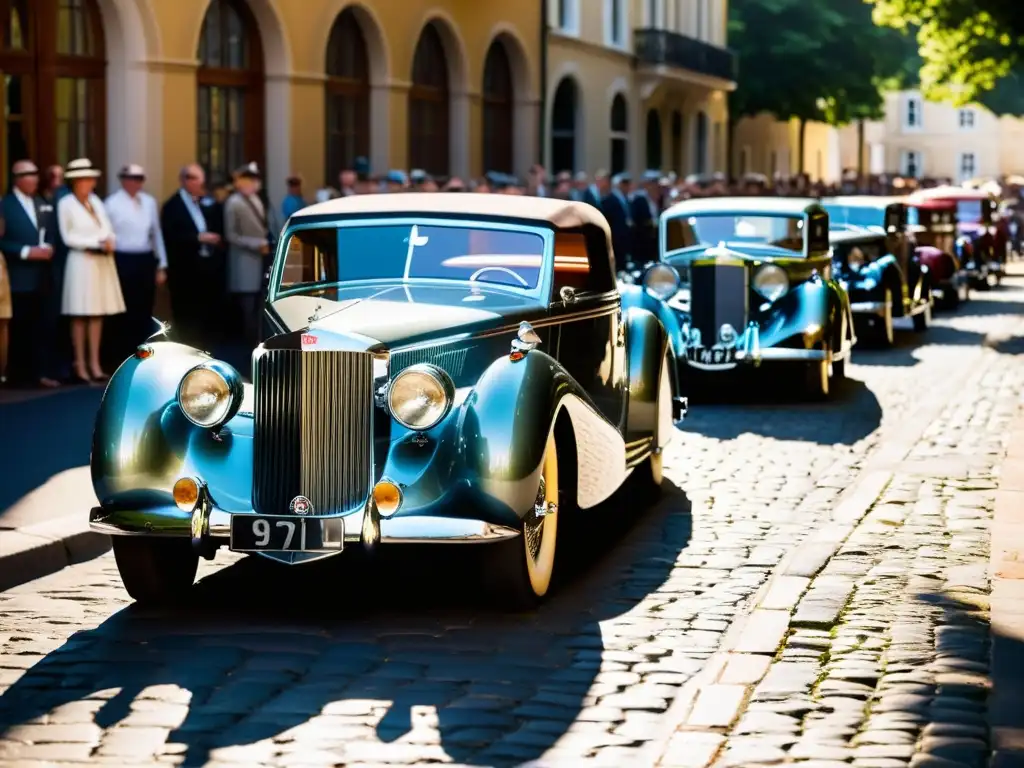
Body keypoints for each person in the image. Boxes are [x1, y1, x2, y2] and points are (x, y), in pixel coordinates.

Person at [58, 158, 124, 383]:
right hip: (80, 261)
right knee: (80, 313)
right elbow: (68, 236)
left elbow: (107, 227)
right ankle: (80, 363)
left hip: (100, 262)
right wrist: (97, 242)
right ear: (76, 181)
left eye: (91, 179)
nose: (90, 183)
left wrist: (110, 240)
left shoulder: (96, 201)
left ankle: (95, 364)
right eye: (86, 179)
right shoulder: (66, 203)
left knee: (96, 313)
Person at [0, 160, 60, 388]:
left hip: (43, 276)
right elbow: (2, 241)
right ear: (16, 178)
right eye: (28, 174)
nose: (34, 178)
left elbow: (52, 231)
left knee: (43, 324)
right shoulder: (5, 205)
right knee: (20, 327)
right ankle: (17, 376)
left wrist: (50, 247)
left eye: (36, 173)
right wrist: (25, 251)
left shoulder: (41, 202)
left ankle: (41, 372)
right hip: (18, 276)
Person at [105, 164, 168, 361]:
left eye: (139, 178)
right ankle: (121, 355)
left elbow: (156, 233)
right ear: (123, 180)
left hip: (145, 258)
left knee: (145, 308)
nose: (135, 182)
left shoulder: (148, 202)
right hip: (122, 258)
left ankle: (143, 351)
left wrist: (162, 265)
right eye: (131, 178)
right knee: (124, 310)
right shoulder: (111, 203)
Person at [160, 164, 222, 346]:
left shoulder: (202, 202)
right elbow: (170, 236)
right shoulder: (173, 205)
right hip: (183, 270)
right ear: (184, 180)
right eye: (194, 179)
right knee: (186, 316)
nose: (199, 183)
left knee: (204, 315)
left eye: (201, 179)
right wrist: (198, 237)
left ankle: (202, 349)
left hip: (204, 268)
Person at [224, 162, 271, 347]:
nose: (253, 183)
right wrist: (255, 243)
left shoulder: (256, 199)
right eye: (249, 180)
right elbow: (231, 235)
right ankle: (247, 343)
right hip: (243, 262)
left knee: (258, 305)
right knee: (247, 306)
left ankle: (256, 340)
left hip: (260, 259)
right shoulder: (233, 202)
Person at [601, 172, 633, 272]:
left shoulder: (627, 199)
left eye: (627, 183)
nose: (626, 186)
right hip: (615, 242)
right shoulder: (609, 200)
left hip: (624, 241)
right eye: (624, 183)